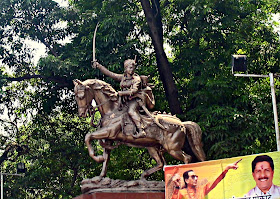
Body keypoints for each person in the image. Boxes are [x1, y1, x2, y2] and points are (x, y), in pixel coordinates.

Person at [92, 59, 154, 138]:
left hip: (135, 100)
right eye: (129, 68)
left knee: (131, 111)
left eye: (132, 68)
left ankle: (141, 130)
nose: (131, 70)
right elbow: (111, 74)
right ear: (126, 68)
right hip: (125, 101)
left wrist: (121, 93)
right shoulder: (123, 77)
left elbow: (134, 90)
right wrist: (99, 66)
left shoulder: (136, 79)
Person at [171, 159, 241, 199]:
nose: (195, 178)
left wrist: (226, 168)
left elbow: (215, 181)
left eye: (196, 176)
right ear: (186, 180)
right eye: (193, 177)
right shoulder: (181, 192)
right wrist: (177, 187)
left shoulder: (201, 190)